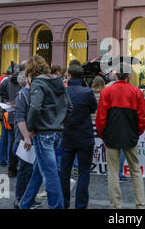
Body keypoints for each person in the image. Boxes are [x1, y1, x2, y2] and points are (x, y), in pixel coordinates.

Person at [19, 56, 73, 209]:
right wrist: (60, 123)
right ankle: (25, 204)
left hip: (43, 133)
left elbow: (35, 108)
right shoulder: (58, 81)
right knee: (39, 171)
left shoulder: (38, 83)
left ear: (31, 72)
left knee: (50, 176)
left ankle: (57, 207)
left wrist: (30, 129)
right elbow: (69, 106)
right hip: (57, 133)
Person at [95, 61, 145, 209]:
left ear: (116, 75)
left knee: (112, 172)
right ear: (129, 75)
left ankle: (116, 206)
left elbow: (101, 118)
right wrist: (137, 133)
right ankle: (141, 203)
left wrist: (102, 135)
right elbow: (143, 117)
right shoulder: (136, 92)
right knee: (135, 170)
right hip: (130, 135)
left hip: (111, 135)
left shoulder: (106, 92)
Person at [60, 64, 97, 209]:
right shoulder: (87, 92)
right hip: (84, 136)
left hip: (67, 135)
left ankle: (64, 202)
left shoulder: (63, 91)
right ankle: (81, 204)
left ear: (69, 76)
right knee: (84, 171)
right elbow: (93, 108)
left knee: (65, 171)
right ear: (81, 77)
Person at [12, 70, 42, 209]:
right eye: (31, 76)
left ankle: (28, 197)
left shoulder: (31, 94)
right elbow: (19, 117)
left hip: (32, 137)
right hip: (24, 138)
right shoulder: (22, 95)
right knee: (24, 170)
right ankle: (20, 198)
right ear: (25, 79)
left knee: (30, 170)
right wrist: (26, 137)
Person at [0, 62, 22, 178]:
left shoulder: (7, 81)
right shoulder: (25, 80)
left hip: (12, 115)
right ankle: (19, 167)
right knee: (21, 142)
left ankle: (12, 168)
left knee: (13, 141)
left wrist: (8, 98)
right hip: (22, 115)